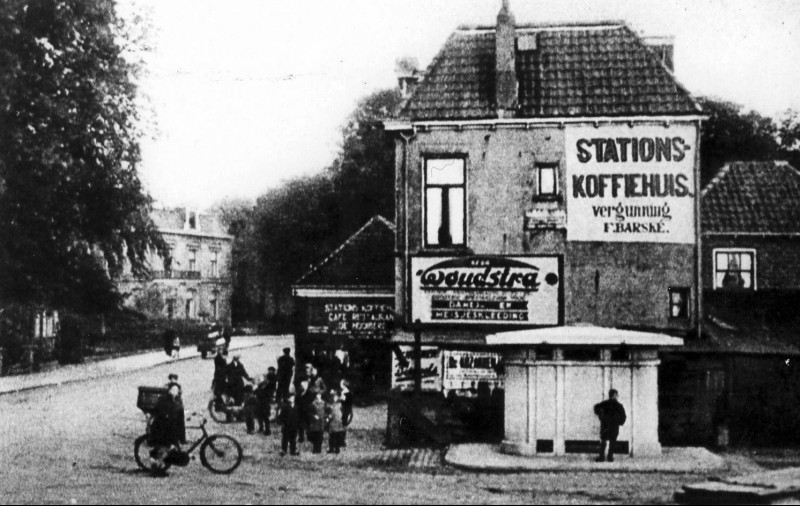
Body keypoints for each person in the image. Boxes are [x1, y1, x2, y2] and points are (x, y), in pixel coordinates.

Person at [149, 384, 186, 474]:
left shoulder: (178, 401)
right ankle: (156, 469)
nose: (174, 392)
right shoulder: (163, 399)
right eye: (173, 389)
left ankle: (158, 465)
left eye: (176, 390)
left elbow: (181, 419)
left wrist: (182, 437)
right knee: (164, 448)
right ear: (169, 390)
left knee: (169, 449)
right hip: (162, 429)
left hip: (171, 429)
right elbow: (160, 414)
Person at [594, 389, 627, 462]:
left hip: (605, 425)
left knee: (603, 441)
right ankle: (610, 457)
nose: (617, 396)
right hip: (614, 426)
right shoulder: (619, 405)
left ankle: (602, 457)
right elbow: (623, 416)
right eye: (616, 395)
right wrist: (619, 422)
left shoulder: (604, 403)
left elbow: (596, 408)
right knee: (612, 442)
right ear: (615, 395)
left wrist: (601, 417)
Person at [255, 370, 277, 435]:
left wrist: (260, 392)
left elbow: (268, 394)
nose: (264, 379)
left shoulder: (269, 386)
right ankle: (261, 427)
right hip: (259, 402)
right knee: (259, 416)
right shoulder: (260, 385)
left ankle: (267, 430)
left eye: (266, 378)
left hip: (265, 403)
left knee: (265, 417)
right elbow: (255, 391)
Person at [279, 392, 301, 456]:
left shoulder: (296, 407)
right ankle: (283, 450)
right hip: (286, 425)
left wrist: (298, 424)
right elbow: (282, 416)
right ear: (288, 399)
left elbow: (298, 416)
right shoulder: (285, 406)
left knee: (293, 439)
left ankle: (293, 450)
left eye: (293, 398)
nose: (292, 399)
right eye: (291, 398)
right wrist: (283, 422)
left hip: (294, 425)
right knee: (285, 438)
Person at [212, 340, 228, 409]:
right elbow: (218, 368)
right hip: (220, 376)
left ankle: (220, 404)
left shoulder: (222, 356)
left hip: (222, 376)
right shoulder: (217, 357)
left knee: (220, 391)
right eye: (221, 348)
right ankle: (220, 405)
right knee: (218, 391)